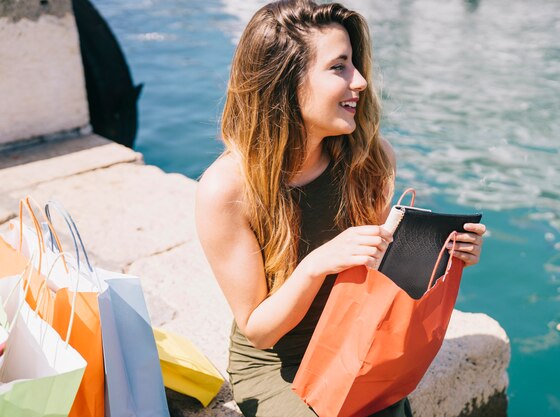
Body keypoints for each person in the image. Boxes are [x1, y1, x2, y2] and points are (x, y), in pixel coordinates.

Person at [195, 1, 486, 416]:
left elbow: (377, 273)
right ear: (284, 81)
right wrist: (317, 264)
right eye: (339, 67)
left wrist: (443, 255)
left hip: (357, 342)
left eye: (355, 65)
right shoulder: (225, 189)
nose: (361, 81)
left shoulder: (371, 160)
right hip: (277, 365)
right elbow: (258, 331)